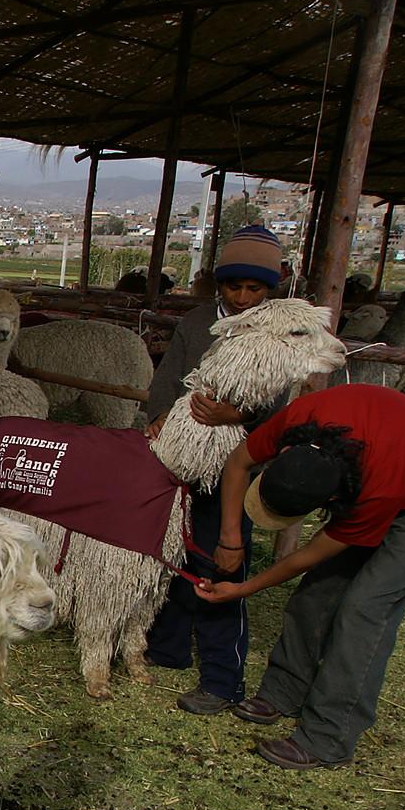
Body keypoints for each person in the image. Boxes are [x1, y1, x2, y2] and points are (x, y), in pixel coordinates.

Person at [195, 384, 405, 769]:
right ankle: (283, 691)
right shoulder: (298, 419)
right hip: (393, 454)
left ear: (332, 502)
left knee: (365, 608)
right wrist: (231, 538)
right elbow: (237, 463)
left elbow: (307, 556)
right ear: (283, 453)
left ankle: (328, 736)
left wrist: (243, 589)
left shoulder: (375, 492)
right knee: (317, 593)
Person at [141, 222, 286, 714]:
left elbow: (281, 403)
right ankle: (168, 647)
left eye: (254, 287)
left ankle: (223, 679)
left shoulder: (275, 334)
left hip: (235, 466)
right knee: (174, 550)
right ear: (219, 284)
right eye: (234, 285)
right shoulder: (198, 321)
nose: (244, 297)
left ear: (268, 288)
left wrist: (240, 416)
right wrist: (160, 414)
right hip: (182, 454)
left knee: (220, 557)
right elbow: (168, 375)